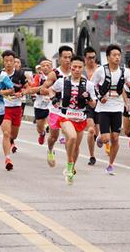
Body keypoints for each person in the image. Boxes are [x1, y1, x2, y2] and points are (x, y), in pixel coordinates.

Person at [48, 55, 97, 184]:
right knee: (72, 137)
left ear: (83, 68)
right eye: (74, 67)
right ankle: (69, 163)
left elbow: (93, 105)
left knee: (75, 147)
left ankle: (70, 168)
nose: (77, 69)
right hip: (65, 117)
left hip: (80, 118)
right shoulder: (62, 81)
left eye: (80, 67)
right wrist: (54, 99)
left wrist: (88, 98)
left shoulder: (88, 85)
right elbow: (51, 90)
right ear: (70, 67)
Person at [92, 44, 125, 175]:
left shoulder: (124, 71)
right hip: (104, 108)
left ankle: (110, 165)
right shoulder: (100, 71)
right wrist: (100, 97)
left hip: (118, 106)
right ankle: (100, 138)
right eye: (114, 55)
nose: (117, 57)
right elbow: (93, 85)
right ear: (108, 57)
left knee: (115, 138)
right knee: (106, 139)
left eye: (119, 55)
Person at [39, 45, 74, 168]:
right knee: (54, 136)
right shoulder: (55, 74)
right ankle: (50, 149)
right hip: (56, 110)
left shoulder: (76, 72)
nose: (68, 60)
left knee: (70, 136)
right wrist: (54, 94)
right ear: (59, 59)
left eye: (70, 57)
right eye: (65, 57)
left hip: (70, 110)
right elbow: (43, 89)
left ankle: (70, 163)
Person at [0, 50, 29, 170]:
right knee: (6, 133)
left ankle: (12, 141)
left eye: (11, 61)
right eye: (6, 61)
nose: (8, 63)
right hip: (3, 107)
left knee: (13, 134)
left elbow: (27, 88)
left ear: (14, 62)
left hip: (17, 107)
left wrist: (22, 93)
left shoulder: (20, 75)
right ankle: (7, 159)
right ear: (3, 62)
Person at [28, 57, 52, 146]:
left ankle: (48, 128)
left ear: (51, 67)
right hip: (39, 104)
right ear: (40, 67)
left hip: (51, 104)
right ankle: (42, 133)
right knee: (39, 127)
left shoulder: (54, 76)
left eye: (48, 65)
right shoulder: (38, 76)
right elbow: (33, 87)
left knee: (51, 120)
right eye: (43, 66)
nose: (45, 67)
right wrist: (41, 88)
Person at [82, 47, 100, 165]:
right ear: (85, 58)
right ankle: (92, 156)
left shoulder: (101, 70)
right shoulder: (80, 71)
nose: (91, 60)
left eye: (93, 57)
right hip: (87, 104)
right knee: (91, 130)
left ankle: (100, 139)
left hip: (100, 104)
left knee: (98, 133)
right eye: (89, 58)